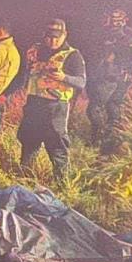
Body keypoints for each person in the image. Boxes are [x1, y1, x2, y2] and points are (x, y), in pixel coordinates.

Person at [17, 19, 86, 182]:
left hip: (55, 107)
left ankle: (63, 184)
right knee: (28, 141)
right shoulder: (34, 51)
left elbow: (81, 82)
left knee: (56, 145)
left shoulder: (72, 55)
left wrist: (64, 77)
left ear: (65, 35)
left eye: (57, 37)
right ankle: (25, 178)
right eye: (49, 37)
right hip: (33, 103)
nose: (53, 41)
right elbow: (24, 75)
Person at [86, 9, 132, 150]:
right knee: (112, 106)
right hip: (105, 75)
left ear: (124, 20)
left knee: (94, 108)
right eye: (111, 19)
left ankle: (98, 137)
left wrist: (116, 64)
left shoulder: (129, 36)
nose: (113, 22)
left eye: (117, 19)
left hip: (116, 77)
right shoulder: (105, 32)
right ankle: (111, 138)